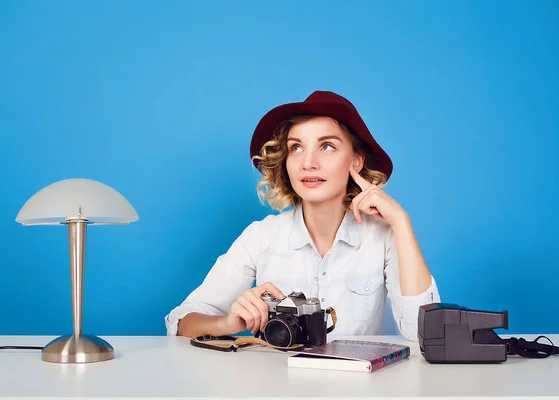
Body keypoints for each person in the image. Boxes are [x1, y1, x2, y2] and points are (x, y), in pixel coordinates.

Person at [165, 90, 440, 342]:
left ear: (356, 160)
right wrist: (228, 322)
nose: (309, 163)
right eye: (296, 147)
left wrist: (402, 224)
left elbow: (425, 333)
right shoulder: (262, 236)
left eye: (327, 146)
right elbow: (180, 323)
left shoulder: (383, 236)